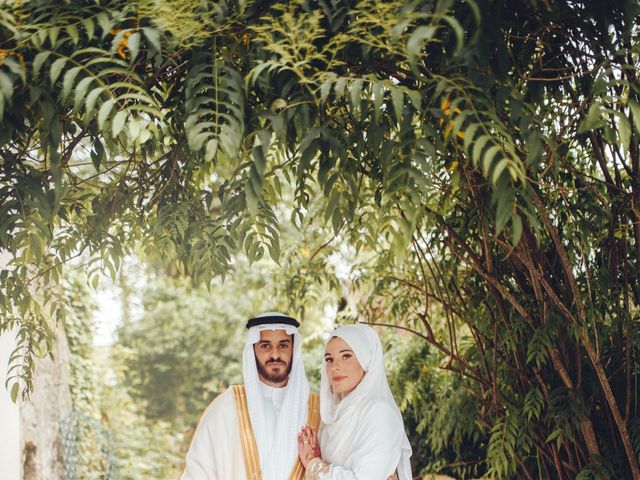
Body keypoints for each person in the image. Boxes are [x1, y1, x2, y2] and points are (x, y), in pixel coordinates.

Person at [181, 312, 320, 480]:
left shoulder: (317, 410)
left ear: (294, 349)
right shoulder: (226, 407)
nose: (275, 354)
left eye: (283, 345)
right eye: (265, 346)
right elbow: (199, 471)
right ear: (253, 350)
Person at [297, 323, 412, 480]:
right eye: (329, 359)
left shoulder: (380, 414)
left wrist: (313, 464)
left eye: (346, 356)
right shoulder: (330, 418)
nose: (334, 367)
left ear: (366, 361)